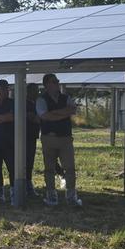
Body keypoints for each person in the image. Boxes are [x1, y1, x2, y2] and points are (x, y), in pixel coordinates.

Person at [37, 74, 81, 207]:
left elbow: (72, 110)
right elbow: (45, 116)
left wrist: (55, 113)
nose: (56, 83)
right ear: (46, 85)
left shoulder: (66, 97)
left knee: (70, 168)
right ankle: (51, 197)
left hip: (65, 139)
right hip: (49, 138)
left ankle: (71, 197)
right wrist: (63, 113)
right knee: (49, 169)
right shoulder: (41, 100)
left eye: (57, 81)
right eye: (54, 82)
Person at [26, 83, 41, 196]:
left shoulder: (36, 103)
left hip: (32, 136)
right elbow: (35, 119)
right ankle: (26, 185)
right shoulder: (25, 104)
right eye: (35, 91)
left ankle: (27, 184)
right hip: (25, 137)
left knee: (30, 161)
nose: (37, 93)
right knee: (26, 161)